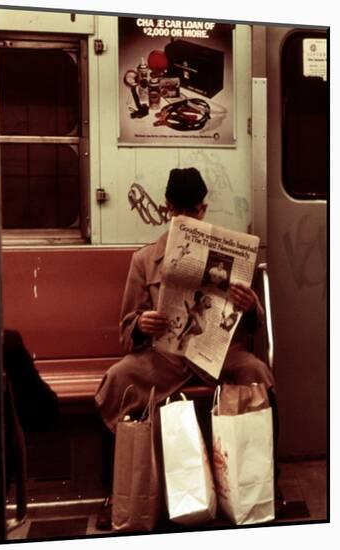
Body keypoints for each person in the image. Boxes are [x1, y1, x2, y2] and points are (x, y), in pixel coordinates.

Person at [94, 167, 283, 528]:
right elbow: (126, 328)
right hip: (166, 356)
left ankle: (269, 483)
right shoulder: (145, 259)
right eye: (178, 211)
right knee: (119, 380)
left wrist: (249, 304)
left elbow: (252, 326)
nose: (185, 217)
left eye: (191, 210)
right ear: (168, 209)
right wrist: (141, 324)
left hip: (218, 354)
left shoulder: (231, 251)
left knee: (258, 374)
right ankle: (116, 492)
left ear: (203, 209)